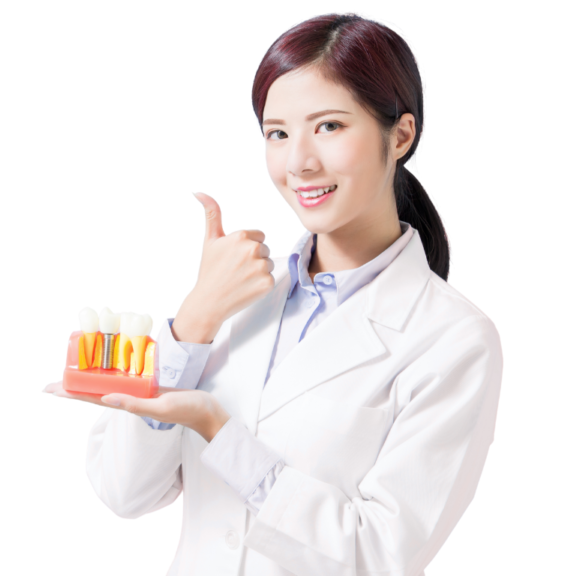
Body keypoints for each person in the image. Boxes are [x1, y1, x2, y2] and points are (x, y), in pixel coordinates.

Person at [42, 13, 502, 576]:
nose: (299, 162)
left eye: (329, 126)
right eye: (277, 133)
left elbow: (379, 555)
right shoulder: (235, 299)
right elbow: (122, 490)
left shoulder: (452, 340)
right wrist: (193, 322)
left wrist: (219, 431)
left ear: (401, 135)